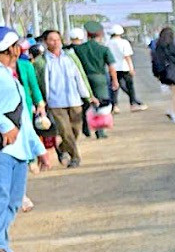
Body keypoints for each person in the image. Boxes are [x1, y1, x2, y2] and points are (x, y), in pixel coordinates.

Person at [0, 27, 45, 252]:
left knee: (13, 199)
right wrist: (3, 125)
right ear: (10, 49)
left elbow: (23, 118)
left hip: (17, 149)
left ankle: (0, 243)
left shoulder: (6, 73)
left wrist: (38, 149)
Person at [31, 29, 94, 167]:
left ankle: (62, 148)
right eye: (52, 39)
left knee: (76, 130)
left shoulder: (70, 57)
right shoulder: (40, 62)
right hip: (55, 102)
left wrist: (89, 95)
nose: (55, 42)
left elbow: (81, 75)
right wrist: (39, 102)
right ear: (46, 42)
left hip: (74, 99)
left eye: (58, 39)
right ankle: (75, 157)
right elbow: (36, 84)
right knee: (65, 131)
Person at [73, 26, 114, 131]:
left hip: (83, 79)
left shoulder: (79, 49)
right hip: (100, 78)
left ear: (87, 34)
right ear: (100, 35)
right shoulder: (104, 49)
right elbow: (111, 67)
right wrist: (115, 80)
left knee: (85, 102)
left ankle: (85, 127)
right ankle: (99, 130)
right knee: (101, 103)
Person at [151, 26, 175, 123]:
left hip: (163, 74)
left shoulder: (157, 46)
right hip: (173, 73)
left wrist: (157, 75)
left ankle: (170, 110)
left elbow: (154, 61)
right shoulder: (172, 46)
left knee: (170, 93)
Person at [106, 25, 145, 111]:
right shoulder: (124, 42)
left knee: (114, 87)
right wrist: (131, 68)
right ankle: (133, 104)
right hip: (124, 67)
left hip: (113, 68)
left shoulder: (108, 43)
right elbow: (127, 56)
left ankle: (115, 106)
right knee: (130, 86)